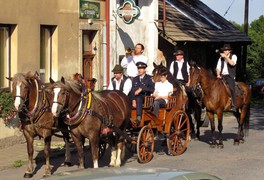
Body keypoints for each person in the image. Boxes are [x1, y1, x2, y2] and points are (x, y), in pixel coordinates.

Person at [131, 62, 154, 126]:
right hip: (136, 98)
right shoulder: (135, 79)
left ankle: (138, 118)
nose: (139, 70)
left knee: (138, 98)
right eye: (138, 68)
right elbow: (133, 90)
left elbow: (152, 89)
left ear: (145, 70)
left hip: (146, 98)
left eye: (141, 68)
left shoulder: (149, 78)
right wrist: (133, 100)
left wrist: (142, 89)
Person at [216, 44, 237, 111]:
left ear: (229, 51)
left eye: (227, 50)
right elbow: (218, 68)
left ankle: (234, 105)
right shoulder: (220, 58)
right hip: (222, 76)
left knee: (231, 88)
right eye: (224, 50)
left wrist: (225, 57)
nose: (225, 51)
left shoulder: (233, 56)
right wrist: (218, 75)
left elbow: (232, 63)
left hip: (230, 76)